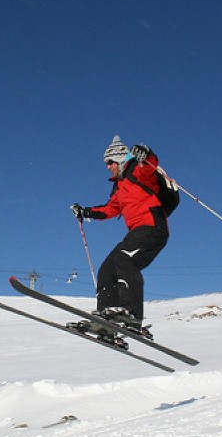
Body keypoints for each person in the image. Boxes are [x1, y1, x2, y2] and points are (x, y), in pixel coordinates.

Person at [71, 135, 170, 336]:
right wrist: (86, 212)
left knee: (124, 259)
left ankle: (131, 314)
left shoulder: (137, 170)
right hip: (136, 232)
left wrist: (145, 152)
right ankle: (105, 320)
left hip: (153, 227)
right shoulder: (119, 186)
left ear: (119, 159)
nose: (107, 167)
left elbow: (150, 165)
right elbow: (110, 209)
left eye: (109, 162)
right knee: (107, 269)